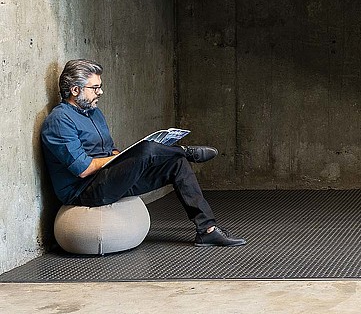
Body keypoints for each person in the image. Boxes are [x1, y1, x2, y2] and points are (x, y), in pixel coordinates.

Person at [40, 59, 246, 247]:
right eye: (95, 88)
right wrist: (134, 156)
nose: (100, 92)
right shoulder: (59, 121)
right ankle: (183, 151)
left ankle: (207, 229)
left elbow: (111, 150)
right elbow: (83, 169)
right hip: (84, 190)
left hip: (107, 179)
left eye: (100, 87)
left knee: (176, 164)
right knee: (147, 149)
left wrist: (127, 159)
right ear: (75, 90)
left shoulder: (94, 113)